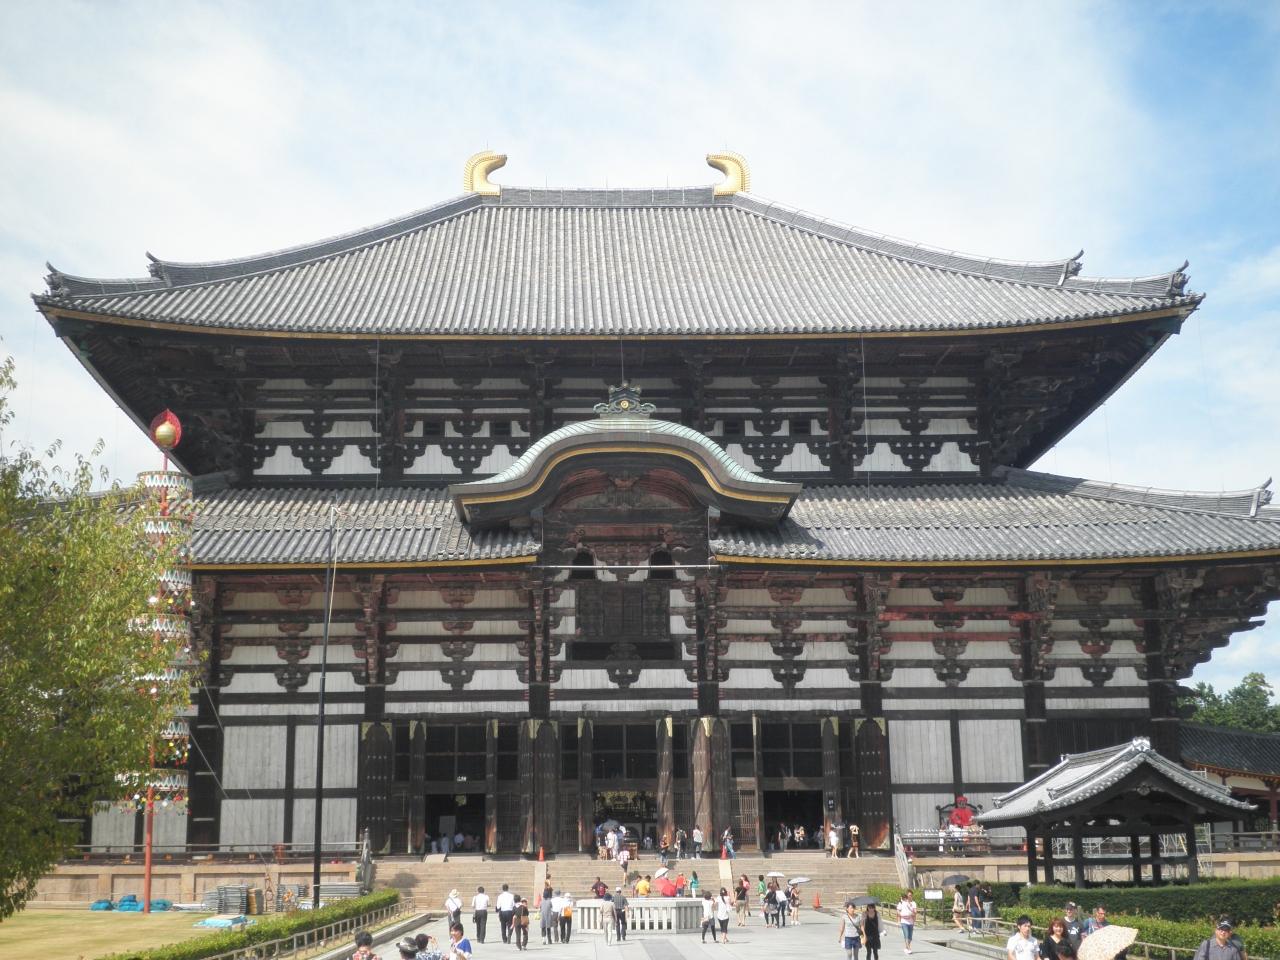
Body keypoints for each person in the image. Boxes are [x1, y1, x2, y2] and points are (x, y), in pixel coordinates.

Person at [897, 889, 918, 955]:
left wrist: (913, 913)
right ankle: (909, 948)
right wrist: (900, 917)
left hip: (911, 922)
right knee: (906, 935)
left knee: (910, 937)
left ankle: (906, 948)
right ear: (906, 896)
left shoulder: (913, 903)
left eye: (911, 895)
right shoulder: (901, 902)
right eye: (908, 895)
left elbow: (915, 912)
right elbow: (898, 911)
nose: (910, 896)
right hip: (904, 921)